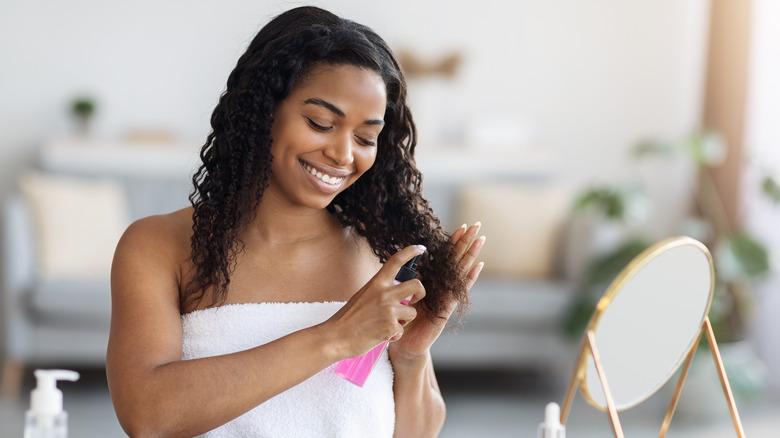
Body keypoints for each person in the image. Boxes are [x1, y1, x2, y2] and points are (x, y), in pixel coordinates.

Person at [106, 6, 485, 437]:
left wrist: (412, 356)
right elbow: (147, 415)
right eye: (321, 123)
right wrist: (337, 337)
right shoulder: (160, 246)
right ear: (264, 110)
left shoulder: (380, 254)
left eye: (365, 137)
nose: (344, 155)